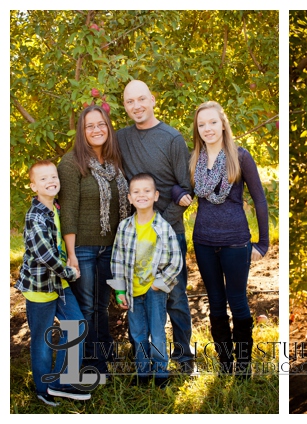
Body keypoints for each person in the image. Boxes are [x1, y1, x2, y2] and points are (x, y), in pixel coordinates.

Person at [182, 101, 269, 377]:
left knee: (238, 301)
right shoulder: (193, 159)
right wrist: (175, 194)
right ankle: (225, 364)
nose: (207, 128)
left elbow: (259, 199)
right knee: (216, 303)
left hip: (235, 241)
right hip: (204, 241)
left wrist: (263, 243)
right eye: (201, 124)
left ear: (223, 124)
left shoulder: (240, 157)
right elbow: (181, 189)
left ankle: (243, 366)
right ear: (197, 129)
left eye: (212, 122)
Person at [117, 80, 195, 373]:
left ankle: (184, 358)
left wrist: (164, 222)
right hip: (136, 233)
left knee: (174, 297)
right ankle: (145, 358)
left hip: (168, 231)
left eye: (141, 99)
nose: (136, 106)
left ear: (152, 99)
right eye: (129, 102)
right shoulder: (121, 138)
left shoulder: (172, 138)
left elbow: (187, 187)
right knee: (139, 294)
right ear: (124, 106)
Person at [58, 104, 130, 375]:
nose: (96, 130)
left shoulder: (115, 161)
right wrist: (72, 253)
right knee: (87, 307)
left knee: (101, 305)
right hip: (84, 248)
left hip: (112, 246)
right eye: (90, 126)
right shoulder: (70, 162)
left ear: (108, 127)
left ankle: (103, 355)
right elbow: (69, 211)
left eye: (101, 124)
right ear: (82, 130)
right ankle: (90, 365)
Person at [17, 160, 90, 406]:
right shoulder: (35, 215)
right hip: (40, 288)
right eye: (43, 179)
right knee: (41, 338)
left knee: (76, 326)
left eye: (53, 177)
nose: (51, 182)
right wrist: (70, 272)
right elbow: (45, 255)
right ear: (33, 186)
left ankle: (63, 381)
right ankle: (43, 388)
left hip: (59, 284)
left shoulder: (54, 207)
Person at [108, 173, 183, 388]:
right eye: (137, 192)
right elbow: (117, 261)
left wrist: (158, 283)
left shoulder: (163, 227)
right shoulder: (125, 228)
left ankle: (161, 374)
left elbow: (175, 260)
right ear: (130, 198)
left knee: (157, 333)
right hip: (132, 291)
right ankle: (143, 373)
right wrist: (120, 291)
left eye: (147, 191)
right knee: (138, 333)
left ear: (156, 196)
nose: (142, 195)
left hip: (155, 290)